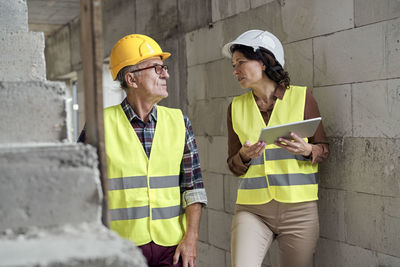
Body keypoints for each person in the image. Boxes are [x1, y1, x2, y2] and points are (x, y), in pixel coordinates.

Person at [80, 34, 207, 267]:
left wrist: (192, 237)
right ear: (132, 78)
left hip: (172, 247)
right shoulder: (99, 125)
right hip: (119, 247)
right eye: (157, 68)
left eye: (164, 68)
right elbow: (81, 188)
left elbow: (193, 187)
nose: (166, 74)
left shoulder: (180, 121)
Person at [222, 30, 329, 267]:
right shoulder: (235, 108)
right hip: (253, 210)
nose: (235, 70)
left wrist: (307, 150)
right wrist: (243, 156)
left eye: (240, 62)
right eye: (233, 65)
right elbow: (233, 164)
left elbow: (324, 148)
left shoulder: (302, 97)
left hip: (299, 211)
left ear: (263, 61)